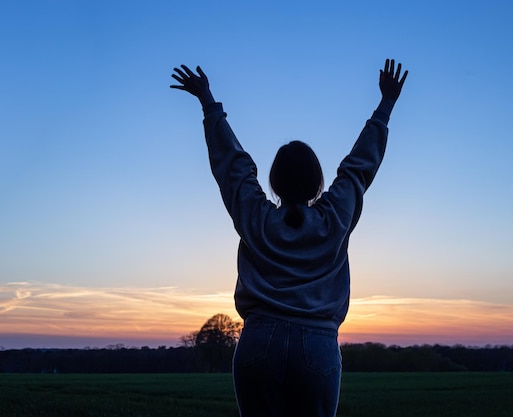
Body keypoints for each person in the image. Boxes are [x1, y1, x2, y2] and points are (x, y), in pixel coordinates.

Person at [170, 59, 407, 417]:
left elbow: (232, 166)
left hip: (257, 343)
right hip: (318, 345)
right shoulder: (334, 218)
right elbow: (358, 167)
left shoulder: (257, 217)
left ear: (274, 182)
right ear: (317, 184)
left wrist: (208, 101)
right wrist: (385, 105)